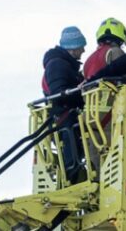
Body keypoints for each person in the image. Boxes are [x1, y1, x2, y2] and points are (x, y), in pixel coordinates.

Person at [41, 26, 87, 183]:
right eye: (81, 46)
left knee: (75, 156)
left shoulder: (62, 65)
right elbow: (59, 94)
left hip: (66, 118)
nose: (83, 50)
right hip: (64, 119)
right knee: (71, 159)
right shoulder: (57, 65)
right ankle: (70, 179)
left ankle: (73, 176)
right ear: (73, 48)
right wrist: (80, 91)